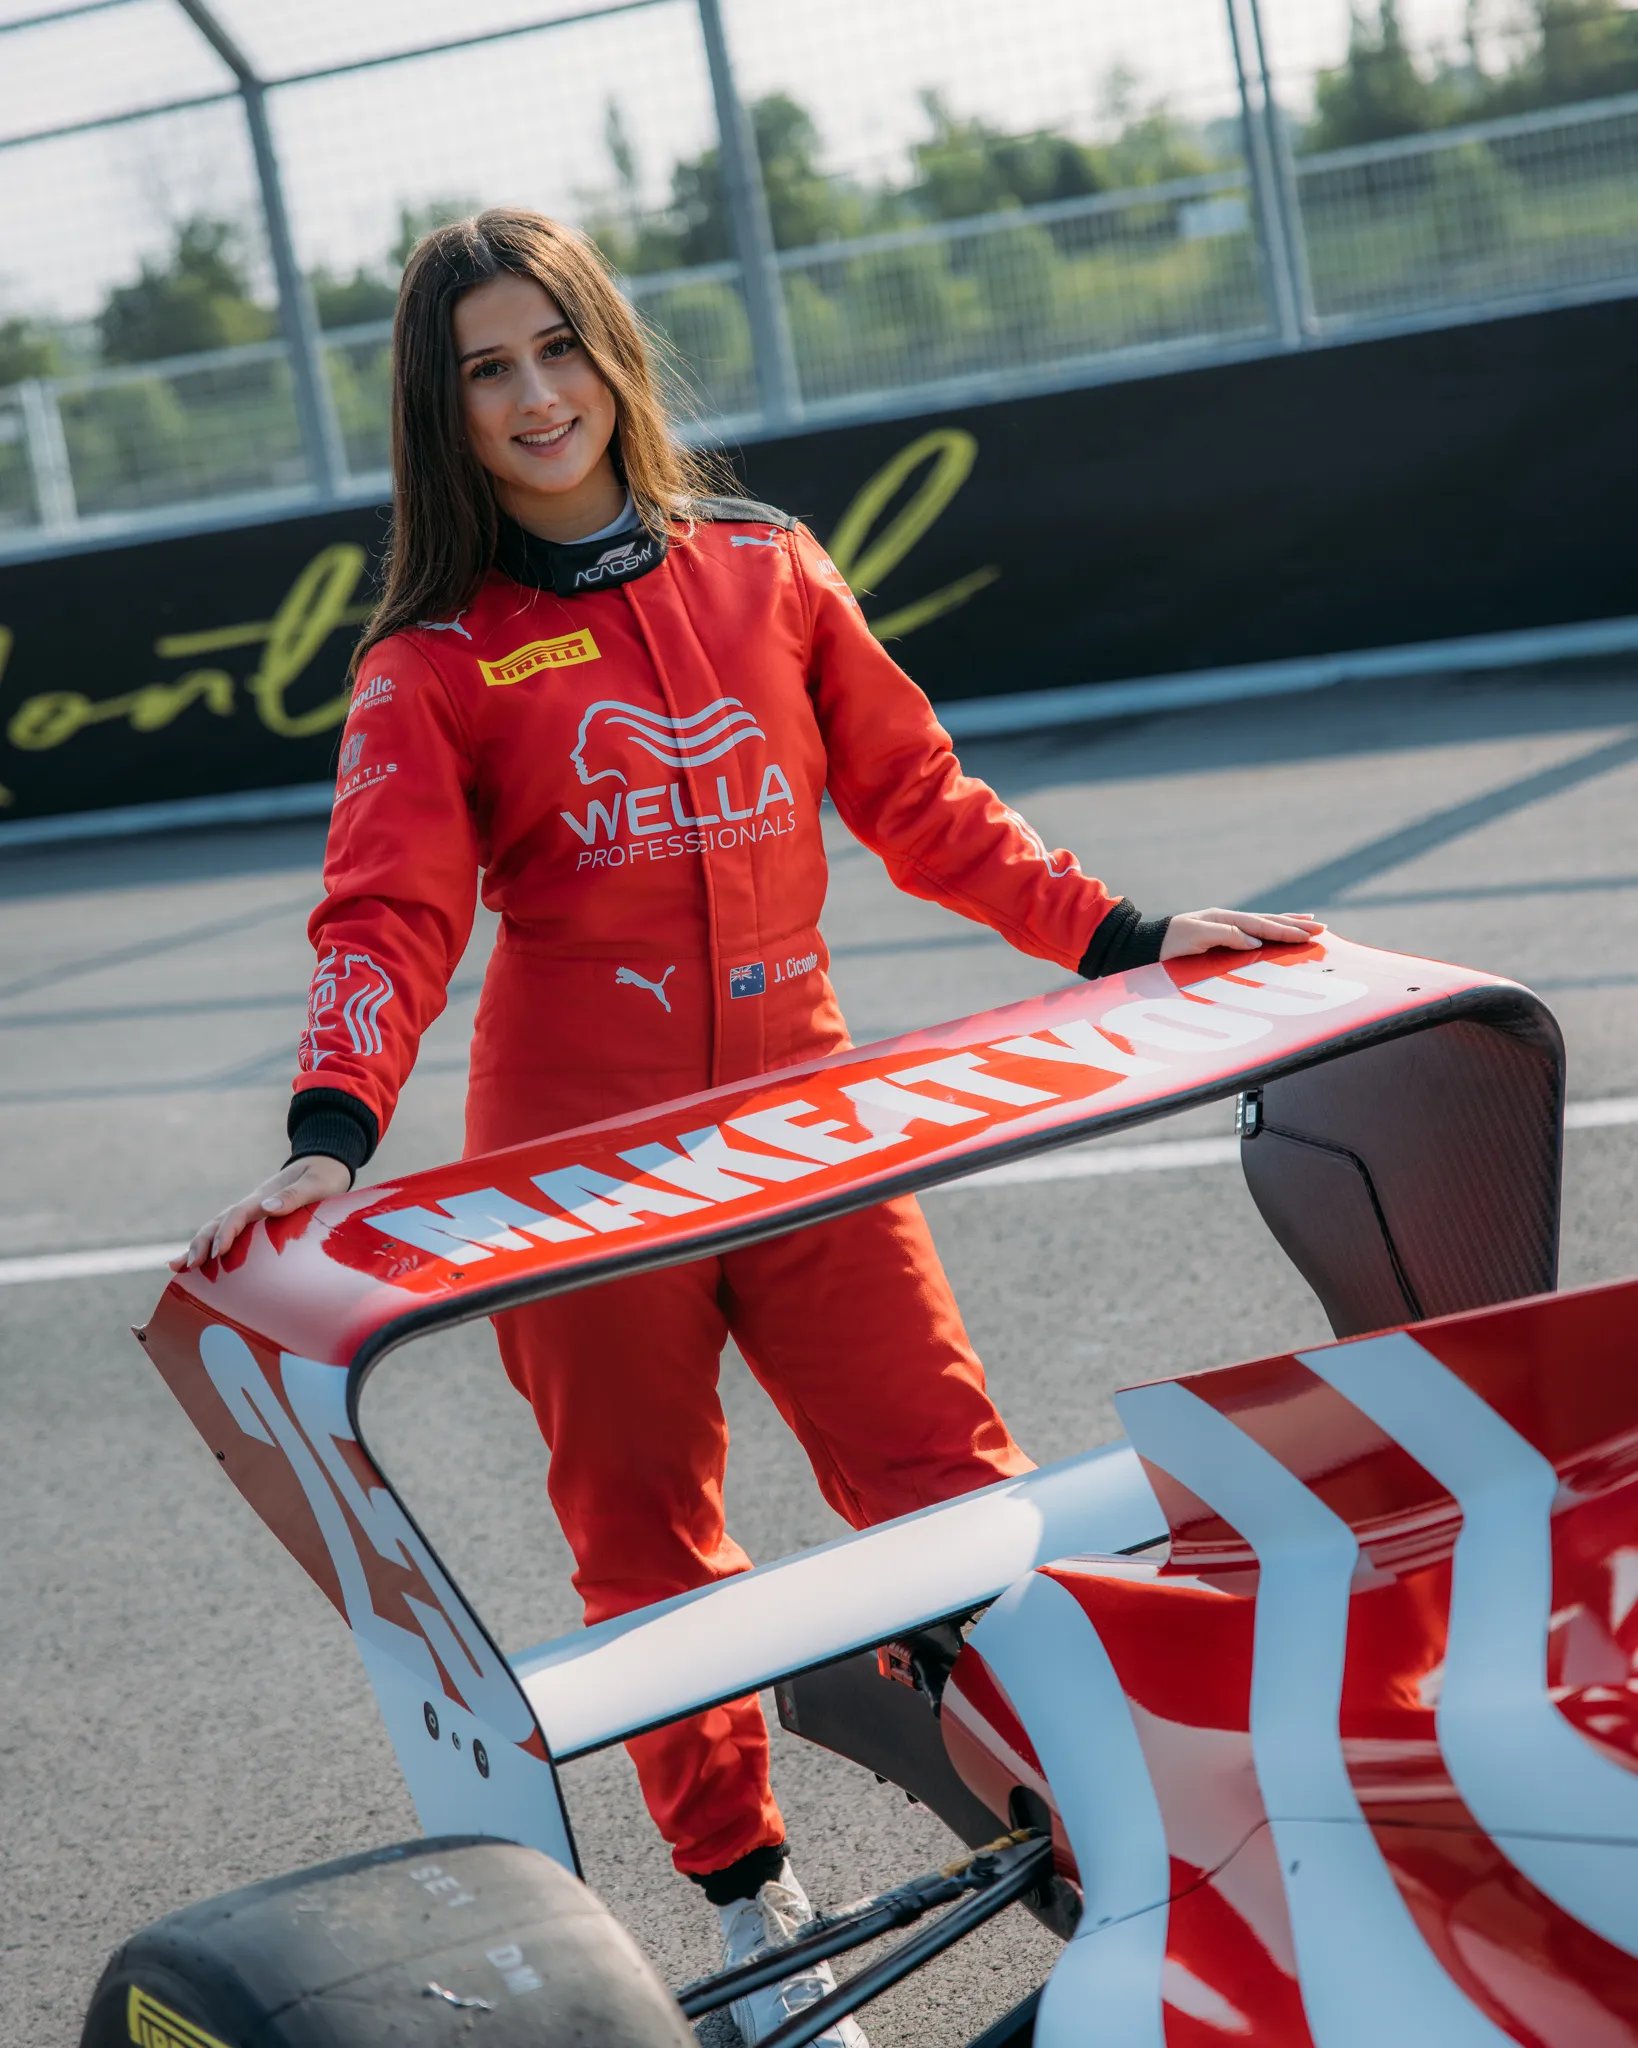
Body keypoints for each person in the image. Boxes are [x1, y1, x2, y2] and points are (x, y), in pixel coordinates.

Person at [176, 208, 1319, 2045]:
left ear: (611, 350)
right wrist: (332, 1126)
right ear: (439, 412)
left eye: (557, 345)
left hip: (807, 1131)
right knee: (647, 1548)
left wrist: (1121, 934)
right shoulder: (430, 662)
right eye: (486, 370)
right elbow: (385, 919)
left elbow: (923, 802)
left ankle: (1105, 1829)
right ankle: (749, 1916)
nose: (534, 396)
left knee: (951, 1489)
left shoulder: (767, 567)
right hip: (576, 1178)